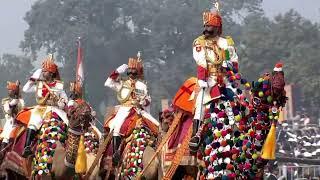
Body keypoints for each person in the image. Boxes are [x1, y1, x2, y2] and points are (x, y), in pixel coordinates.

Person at [189, 3, 239, 150]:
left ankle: (238, 129)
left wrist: (228, 65)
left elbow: (234, 61)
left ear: (217, 27)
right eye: (205, 26)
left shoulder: (226, 43)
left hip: (224, 79)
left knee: (237, 101)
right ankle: (196, 137)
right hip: (207, 80)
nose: (206, 30)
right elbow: (201, 62)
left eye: (209, 27)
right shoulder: (199, 42)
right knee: (200, 103)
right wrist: (202, 79)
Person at [104, 52, 159, 165]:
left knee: (156, 125)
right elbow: (108, 83)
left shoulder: (142, 85)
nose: (132, 75)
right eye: (130, 72)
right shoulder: (121, 83)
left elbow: (148, 99)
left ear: (137, 73)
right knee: (117, 128)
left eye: (134, 72)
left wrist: (144, 102)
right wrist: (117, 72)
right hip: (125, 109)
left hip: (139, 110)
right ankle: (116, 155)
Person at [17, 54, 68, 157]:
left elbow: (65, 100)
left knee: (67, 123)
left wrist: (60, 103)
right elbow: (25, 89)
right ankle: (27, 147)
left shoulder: (58, 85)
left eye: (45, 71)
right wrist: (33, 78)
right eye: (42, 71)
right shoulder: (39, 84)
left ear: (51, 72)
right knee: (34, 122)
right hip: (41, 108)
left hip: (55, 109)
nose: (43, 73)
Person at [0, 81, 24, 158]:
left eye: (11, 90)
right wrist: (12, 104)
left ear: (15, 91)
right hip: (10, 123)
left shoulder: (21, 101)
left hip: (19, 122)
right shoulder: (5, 101)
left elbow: (21, 110)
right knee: (7, 136)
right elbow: (7, 111)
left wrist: (16, 100)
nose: (9, 91)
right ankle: (2, 153)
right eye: (9, 90)